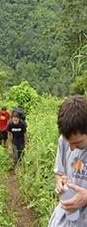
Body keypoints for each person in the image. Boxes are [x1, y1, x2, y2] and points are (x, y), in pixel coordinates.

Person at [48, 95, 87, 227]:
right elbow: (59, 172)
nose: (71, 148)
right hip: (65, 219)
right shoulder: (63, 141)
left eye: (77, 142)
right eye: (68, 142)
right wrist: (61, 183)